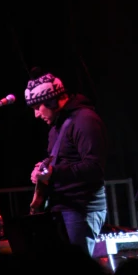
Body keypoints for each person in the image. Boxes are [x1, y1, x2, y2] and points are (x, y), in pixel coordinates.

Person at [25, 69, 108, 257]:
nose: (36, 115)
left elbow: (95, 167)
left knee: (79, 270)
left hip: (81, 208)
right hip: (63, 207)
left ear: (52, 101)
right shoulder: (57, 126)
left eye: (38, 107)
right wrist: (42, 170)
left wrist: (53, 172)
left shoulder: (85, 120)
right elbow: (63, 162)